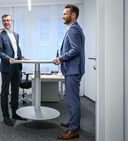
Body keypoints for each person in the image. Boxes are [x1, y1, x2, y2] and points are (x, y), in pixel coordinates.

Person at [53, 4, 85, 140]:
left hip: (73, 69)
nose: (63, 16)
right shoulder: (74, 28)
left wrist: (61, 58)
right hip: (73, 68)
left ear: (73, 15)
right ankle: (74, 124)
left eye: (65, 13)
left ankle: (74, 130)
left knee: (72, 101)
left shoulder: (73, 30)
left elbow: (75, 49)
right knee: (73, 100)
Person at [0, 14, 28, 126]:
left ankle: (15, 113)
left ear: (12, 21)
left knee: (15, 91)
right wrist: (8, 59)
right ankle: (6, 116)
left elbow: (16, 49)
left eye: (8, 20)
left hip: (17, 66)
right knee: (5, 92)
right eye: (4, 20)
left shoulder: (16, 35)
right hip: (6, 66)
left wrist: (22, 57)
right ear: (2, 22)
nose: (6, 22)